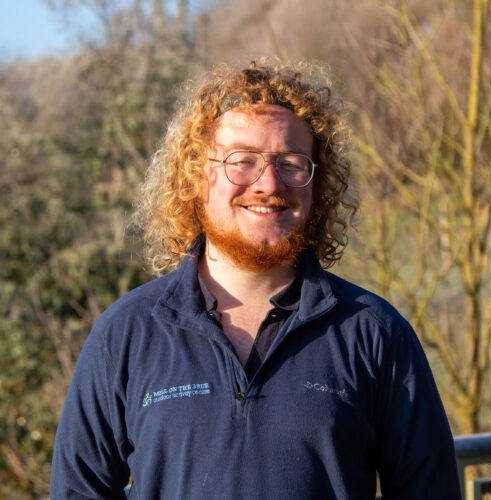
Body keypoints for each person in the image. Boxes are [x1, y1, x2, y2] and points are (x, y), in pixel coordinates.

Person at [51, 59, 461, 499]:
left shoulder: (376, 334)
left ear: (317, 183)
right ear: (196, 177)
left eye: (291, 162)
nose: (269, 183)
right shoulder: (124, 335)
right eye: (242, 161)